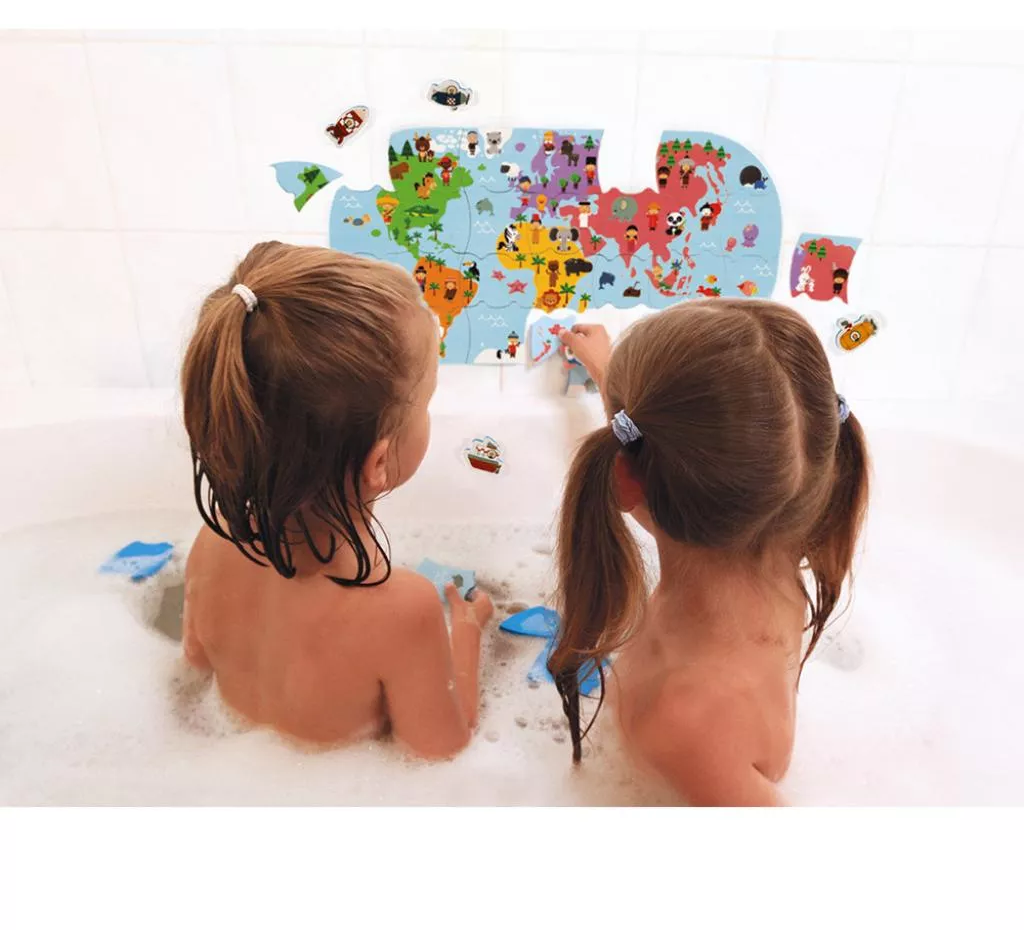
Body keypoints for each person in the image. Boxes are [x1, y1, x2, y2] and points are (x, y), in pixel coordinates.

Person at [180, 241, 493, 758]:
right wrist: (466, 631)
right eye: (426, 403)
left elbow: (195, 659)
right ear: (378, 462)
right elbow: (442, 750)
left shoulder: (212, 538)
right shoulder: (402, 608)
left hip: (238, 768)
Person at [551, 300, 869, 805]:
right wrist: (611, 376)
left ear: (624, 478)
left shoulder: (687, 722)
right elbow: (688, 448)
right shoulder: (779, 557)